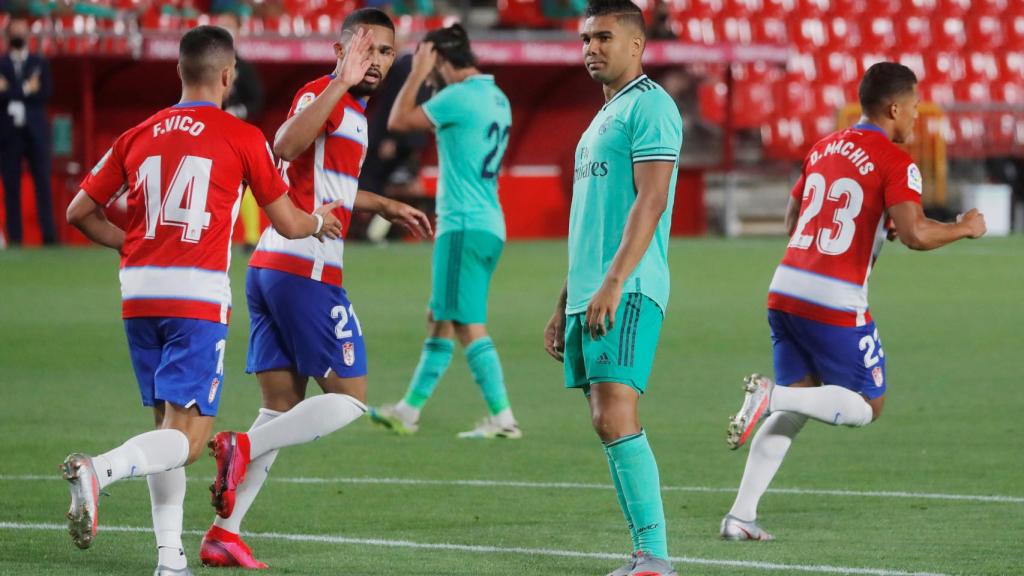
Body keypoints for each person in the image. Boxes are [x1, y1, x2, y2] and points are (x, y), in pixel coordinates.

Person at [60, 25, 343, 576]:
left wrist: (130, 244)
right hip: (195, 294)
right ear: (228, 74)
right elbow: (287, 222)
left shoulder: (138, 133)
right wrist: (319, 221)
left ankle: (170, 559)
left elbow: (79, 212)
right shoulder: (241, 135)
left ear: (179, 71)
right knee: (189, 441)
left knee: (165, 427)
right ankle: (101, 469)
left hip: (139, 291)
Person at [198, 9, 432, 569]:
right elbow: (283, 145)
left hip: (273, 267)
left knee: (280, 409)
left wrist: (383, 203)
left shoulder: (353, 112)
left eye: (385, 53)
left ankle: (224, 533)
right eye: (367, 49)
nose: (376, 61)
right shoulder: (324, 94)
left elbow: (327, 186)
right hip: (304, 268)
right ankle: (241, 447)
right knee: (351, 400)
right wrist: (338, 83)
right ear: (340, 50)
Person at [721, 62, 988, 541]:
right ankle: (770, 395)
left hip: (785, 288)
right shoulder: (894, 161)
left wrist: (873, 227)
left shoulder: (824, 146)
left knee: (799, 405)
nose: (917, 116)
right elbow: (916, 234)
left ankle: (740, 516)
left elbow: (794, 221)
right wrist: (965, 227)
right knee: (867, 404)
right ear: (894, 108)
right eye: (913, 107)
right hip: (833, 298)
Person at [542, 1, 682, 575]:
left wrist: (615, 281)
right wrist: (564, 302)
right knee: (605, 418)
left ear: (636, 45)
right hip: (591, 291)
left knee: (616, 412)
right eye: (585, 39)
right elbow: (593, 221)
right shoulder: (603, 117)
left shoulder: (651, 106)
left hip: (627, 286)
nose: (591, 48)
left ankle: (655, 556)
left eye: (603, 37)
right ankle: (644, 554)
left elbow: (652, 200)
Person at [368, 24, 521, 439]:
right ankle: (407, 411)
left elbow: (398, 120)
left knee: (467, 323)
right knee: (440, 317)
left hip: (463, 225)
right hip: (488, 223)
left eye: (428, 61)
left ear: (439, 59)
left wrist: (417, 71)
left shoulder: (458, 96)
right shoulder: (496, 96)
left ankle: (503, 418)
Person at [0, 16, 56, 245]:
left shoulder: (39, 63)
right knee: (11, 185)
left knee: (43, 183)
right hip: (8, 134)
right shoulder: (1, 63)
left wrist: (11, 90)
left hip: (36, 133)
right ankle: (15, 238)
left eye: (22, 30)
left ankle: (50, 237)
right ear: (7, 35)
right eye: (15, 30)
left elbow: (44, 93)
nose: (19, 34)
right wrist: (26, 88)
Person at [214, 9, 266, 250]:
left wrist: (238, 111)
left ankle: (252, 236)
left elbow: (257, 99)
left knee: (241, 179)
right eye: (220, 25)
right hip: (207, 130)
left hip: (233, 133)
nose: (224, 31)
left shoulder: (243, 68)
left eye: (229, 26)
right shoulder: (206, 63)